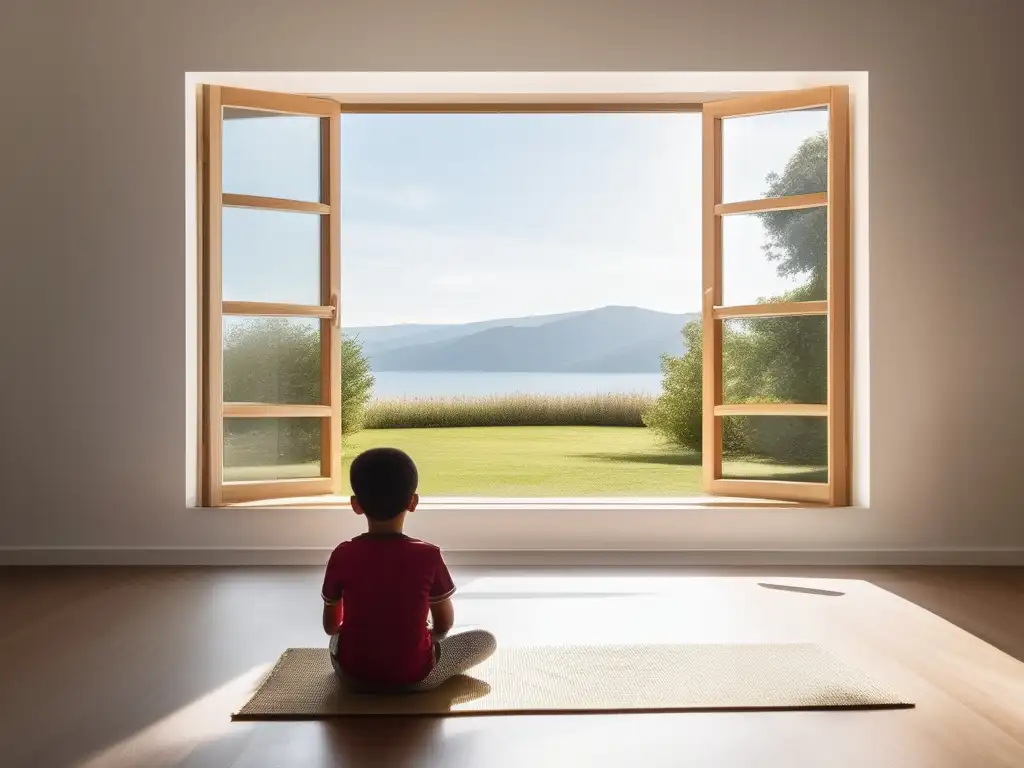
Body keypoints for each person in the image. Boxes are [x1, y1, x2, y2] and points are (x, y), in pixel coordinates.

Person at [321, 447, 497, 692]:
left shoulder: (342, 553)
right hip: (416, 676)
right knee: (485, 640)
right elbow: (444, 625)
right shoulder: (429, 555)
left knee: (338, 641)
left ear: (356, 504)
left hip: (353, 677)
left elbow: (331, 627)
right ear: (413, 501)